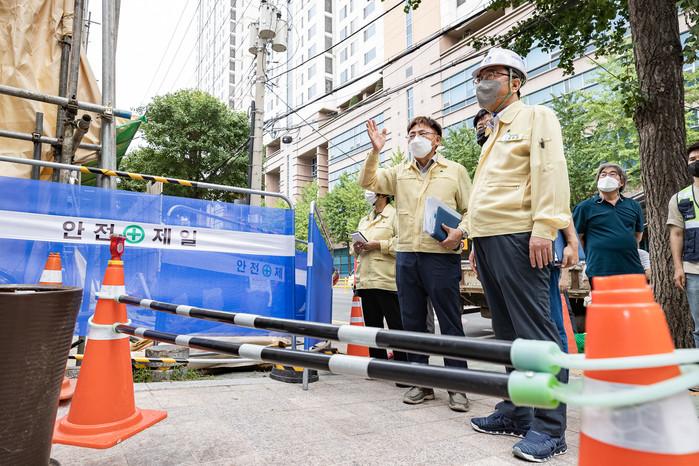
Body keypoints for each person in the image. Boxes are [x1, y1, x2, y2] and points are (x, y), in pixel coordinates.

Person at [466, 47, 571, 462]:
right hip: (489, 239)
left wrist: (545, 227)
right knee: (508, 334)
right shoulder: (492, 131)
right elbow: (486, 193)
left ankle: (550, 429)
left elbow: (550, 171)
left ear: (516, 81)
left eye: (494, 73)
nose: (484, 82)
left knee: (536, 334)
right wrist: (475, 241)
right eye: (480, 76)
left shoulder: (536, 117)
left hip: (520, 235)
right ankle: (517, 411)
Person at [360, 116, 472, 412]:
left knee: (450, 322)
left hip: (441, 256)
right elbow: (368, 182)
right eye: (411, 134)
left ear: (437, 140)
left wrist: (461, 232)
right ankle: (420, 382)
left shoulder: (455, 171)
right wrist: (375, 151)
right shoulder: (399, 172)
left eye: (423, 133)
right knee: (412, 323)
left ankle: (458, 386)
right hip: (407, 256)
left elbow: (471, 209)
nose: (416, 138)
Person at [352, 191, 407, 363]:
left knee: (396, 328)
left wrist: (379, 245)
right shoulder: (365, 220)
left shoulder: (396, 215)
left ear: (383, 194)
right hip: (366, 282)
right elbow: (354, 251)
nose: (367, 193)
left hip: (387, 281)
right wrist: (357, 247)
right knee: (372, 330)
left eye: (372, 189)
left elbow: (403, 244)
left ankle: (402, 367)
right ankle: (377, 366)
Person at [573, 163, 645, 286]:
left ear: (621, 182)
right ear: (598, 181)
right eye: (603, 174)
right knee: (604, 300)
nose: (607, 177)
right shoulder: (584, 207)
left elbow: (637, 236)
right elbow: (577, 238)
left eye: (612, 174)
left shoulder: (634, 205)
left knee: (632, 299)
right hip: (600, 270)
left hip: (632, 269)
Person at [667, 140, 699, 351]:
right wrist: (678, 267)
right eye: (692, 159)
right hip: (694, 271)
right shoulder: (679, 198)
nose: (696, 162)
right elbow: (676, 234)